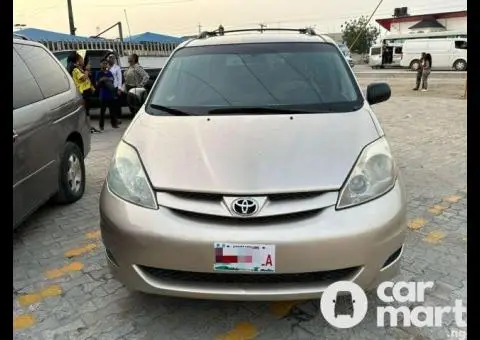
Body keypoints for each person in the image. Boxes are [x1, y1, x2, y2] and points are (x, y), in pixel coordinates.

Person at [69, 52, 100, 133]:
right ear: (77, 60)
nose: (83, 60)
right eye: (81, 59)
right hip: (82, 93)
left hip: (87, 92)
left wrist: (92, 87)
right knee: (85, 111)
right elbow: (83, 78)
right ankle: (86, 128)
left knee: (87, 111)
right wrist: (87, 70)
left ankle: (88, 127)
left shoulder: (80, 69)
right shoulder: (75, 70)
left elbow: (87, 80)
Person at [95, 59, 119, 131]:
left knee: (112, 111)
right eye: (103, 63)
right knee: (102, 112)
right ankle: (101, 126)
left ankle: (114, 124)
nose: (104, 65)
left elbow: (112, 80)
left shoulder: (109, 72)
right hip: (103, 94)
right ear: (100, 64)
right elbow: (97, 83)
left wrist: (105, 79)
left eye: (106, 63)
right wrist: (102, 80)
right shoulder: (99, 73)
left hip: (110, 94)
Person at [106, 53, 123, 124]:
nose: (112, 60)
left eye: (113, 58)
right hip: (108, 88)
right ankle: (112, 118)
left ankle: (118, 118)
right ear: (108, 59)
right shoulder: (106, 67)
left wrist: (119, 88)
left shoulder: (117, 68)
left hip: (115, 87)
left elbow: (120, 79)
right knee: (110, 104)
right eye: (110, 58)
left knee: (116, 104)